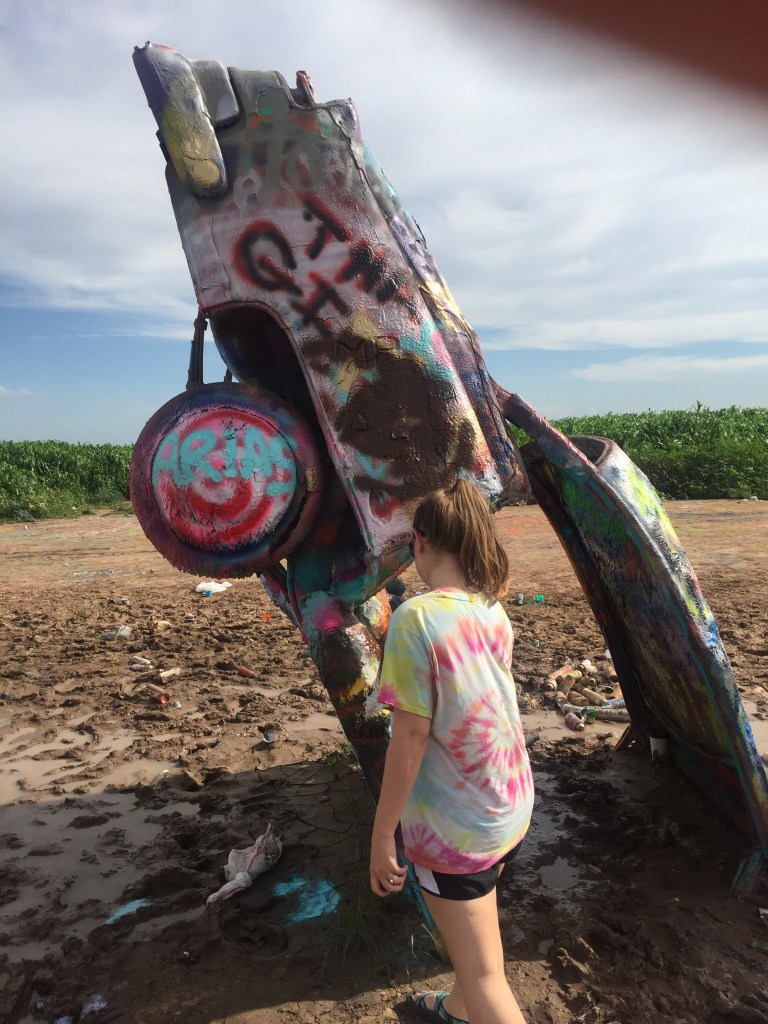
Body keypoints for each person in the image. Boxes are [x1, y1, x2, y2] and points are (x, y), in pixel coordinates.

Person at [370, 477, 534, 1024]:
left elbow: (410, 738)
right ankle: (458, 1011)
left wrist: (382, 835)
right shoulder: (491, 609)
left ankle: (474, 1004)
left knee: (488, 977)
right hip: (509, 805)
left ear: (419, 542)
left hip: (457, 830)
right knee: (476, 946)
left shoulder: (415, 618)